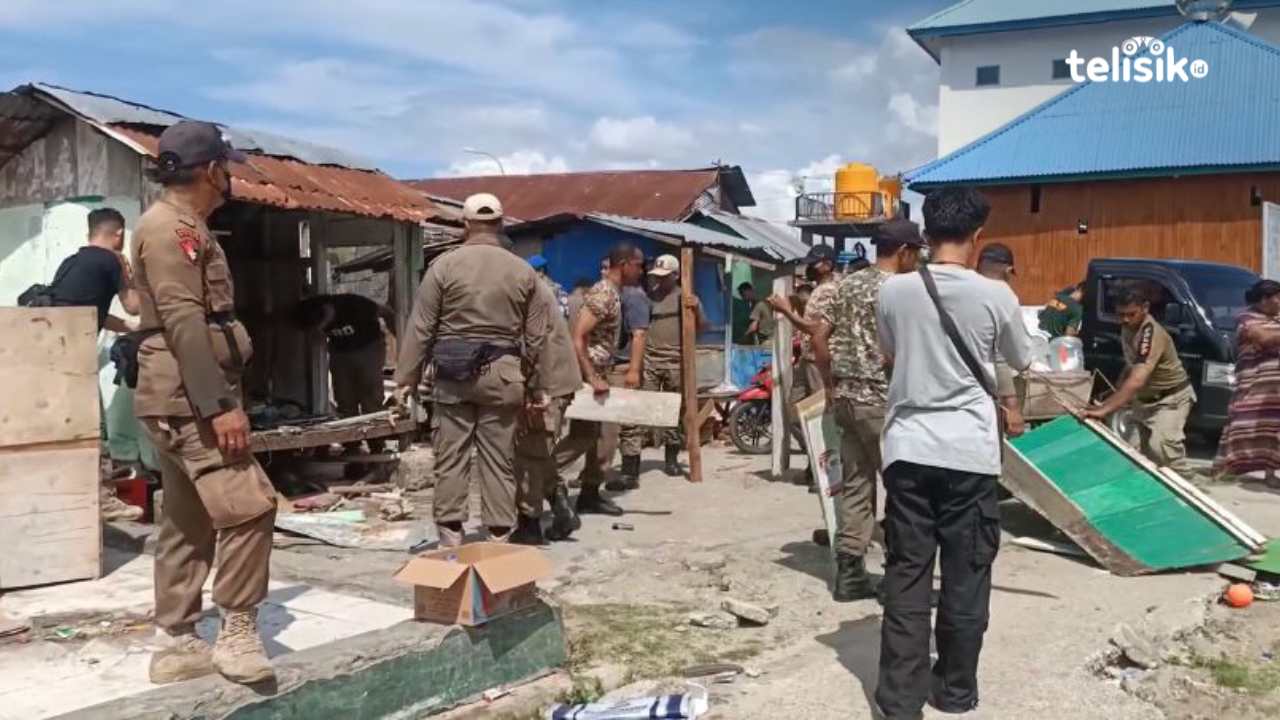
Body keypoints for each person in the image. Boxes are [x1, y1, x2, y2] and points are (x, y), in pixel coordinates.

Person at [875, 186, 1035, 718]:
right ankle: (955, 692)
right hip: (968, 452)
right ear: (978, 236)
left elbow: (890, 353)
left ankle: (899, 702)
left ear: (925, 234)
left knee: (907, 572)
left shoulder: (893, 291)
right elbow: (1020, 357)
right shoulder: (996, 295)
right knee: (967, 575)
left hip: (907, 448)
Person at [132, 121, 276, 685]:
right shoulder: (173, 229)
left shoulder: (178, 225)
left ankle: (177, 643)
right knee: (250, 505)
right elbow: (184, 321)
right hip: (192, 398)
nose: (229, 178)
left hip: (176, 394)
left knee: (188, 520)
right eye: (227, 168)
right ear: (211, 170)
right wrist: (218, 404)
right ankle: (237, 634)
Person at [392, 193, 549, 547]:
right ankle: (498, 536)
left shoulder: (444, 266)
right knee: (499, 458)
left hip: (452, 374)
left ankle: (451, 537)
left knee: (451, 456)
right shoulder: (523, 270)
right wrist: (537, 386)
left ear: (465, 224)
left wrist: (406, 379)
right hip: (504, 375)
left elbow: (421, 327)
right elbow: (538, 337)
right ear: (501, 224)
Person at [810, 219, 925, 603]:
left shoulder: (847, 284)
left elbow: (818, 337)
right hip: (882, 401)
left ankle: (850, 574)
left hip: (846, 400)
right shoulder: (902, 289)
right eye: (918, 253)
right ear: (906, 252)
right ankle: (901, 582)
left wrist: (830, 384)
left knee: (857, 489)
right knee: (906, 491)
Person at [45, 208, 145, 521]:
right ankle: (102, 500)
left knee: (67, 428)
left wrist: (129, 328)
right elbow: (133, 303)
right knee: (92, 428)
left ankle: (69, 495)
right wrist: (133, 275)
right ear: (118, 234)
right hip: (74, 356)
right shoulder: (111, 260)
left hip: (49, 352)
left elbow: (93, 311)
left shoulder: (72, 262)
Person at [554, 243, 646, 516]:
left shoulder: (614, 294)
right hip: (588, 373)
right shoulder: (603, 294)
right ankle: (539, 473)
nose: (641, 271)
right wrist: (592, 377)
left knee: (604, 437)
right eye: (639, 265)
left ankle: (590, 494)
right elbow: (578, 338)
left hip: (599, 371)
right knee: (584, 436)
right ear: (625, 264)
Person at [1082, 286, 1198, 478]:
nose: (1125, 319)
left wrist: (1105, 410)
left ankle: (1194, 493)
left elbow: (1137, 379)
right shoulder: (1128, 329)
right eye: (1121, 315)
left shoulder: (1150, 333)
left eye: (1131, 314)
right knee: (1143, 457)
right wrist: (1110, 399)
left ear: (1145, 308)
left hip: (1170, 399)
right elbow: (1131, 366)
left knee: (1163, 449)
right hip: (1144, 401)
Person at [617, 254, 707, 485]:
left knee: (676, 411)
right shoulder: (648, 298)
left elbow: (703, 328)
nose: (660, 281)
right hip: (651, 362)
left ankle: (671, 459)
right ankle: (633, 463)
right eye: (658, 277)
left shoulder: (685, 299)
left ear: (676, 276)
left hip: (677, 362)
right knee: (640, 409)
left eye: (665, 277)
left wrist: (696, 310)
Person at [512, 255, 583, 545]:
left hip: (548, 381)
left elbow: (533, 344)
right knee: (540, 449)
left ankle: (530, 525)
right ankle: (562, 509)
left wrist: (533, 389)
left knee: (528, 452)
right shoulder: (542, 288)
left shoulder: (528, 291)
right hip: (558, 379)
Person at [767, 244, 840, 486]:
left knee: (821, 418)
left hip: (819, 363)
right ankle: (815, 464)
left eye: (815, 263)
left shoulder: (830, 290)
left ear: (828, 264)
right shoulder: (819, 290)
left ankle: (824, 473)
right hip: (807, 360)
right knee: (795, 413)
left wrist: (787, 311)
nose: (810, 268)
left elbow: (816, 329)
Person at [295, 293, 394, 454]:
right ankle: (352, 447)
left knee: (370, 396)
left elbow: (387, 312)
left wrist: (402, 342)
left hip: (368, 346)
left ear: (329, 311)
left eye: (324, 325)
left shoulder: (355, 304)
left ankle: (377, 445)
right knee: (344, 398)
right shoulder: (307, 311)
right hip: (340, 351)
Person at [1215, 280, 1280, 484]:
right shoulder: (1246, 319)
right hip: (1253, 386)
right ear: (1264, 299)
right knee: (1242, 426)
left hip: (1275, 390)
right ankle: (1228, 469)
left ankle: (1271, 474)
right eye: (1278, 296)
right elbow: (1264, 339)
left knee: (1274, 431)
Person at [975, 243, 1027, 438]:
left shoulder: (953, 289)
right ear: (1008, 269)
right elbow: (1000, 355)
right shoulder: (1002, 295)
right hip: (980, 402)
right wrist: (1012, 406)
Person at [607, 278, 653, 490]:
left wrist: (634, 370)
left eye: (608, 267)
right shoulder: (607, 295)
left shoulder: (633, 296)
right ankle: (594, 472)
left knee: (628, 421)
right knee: (601, 422)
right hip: (608, 366)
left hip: (624, 366)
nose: (603, 272)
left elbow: (639, 334)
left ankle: (629, 473)